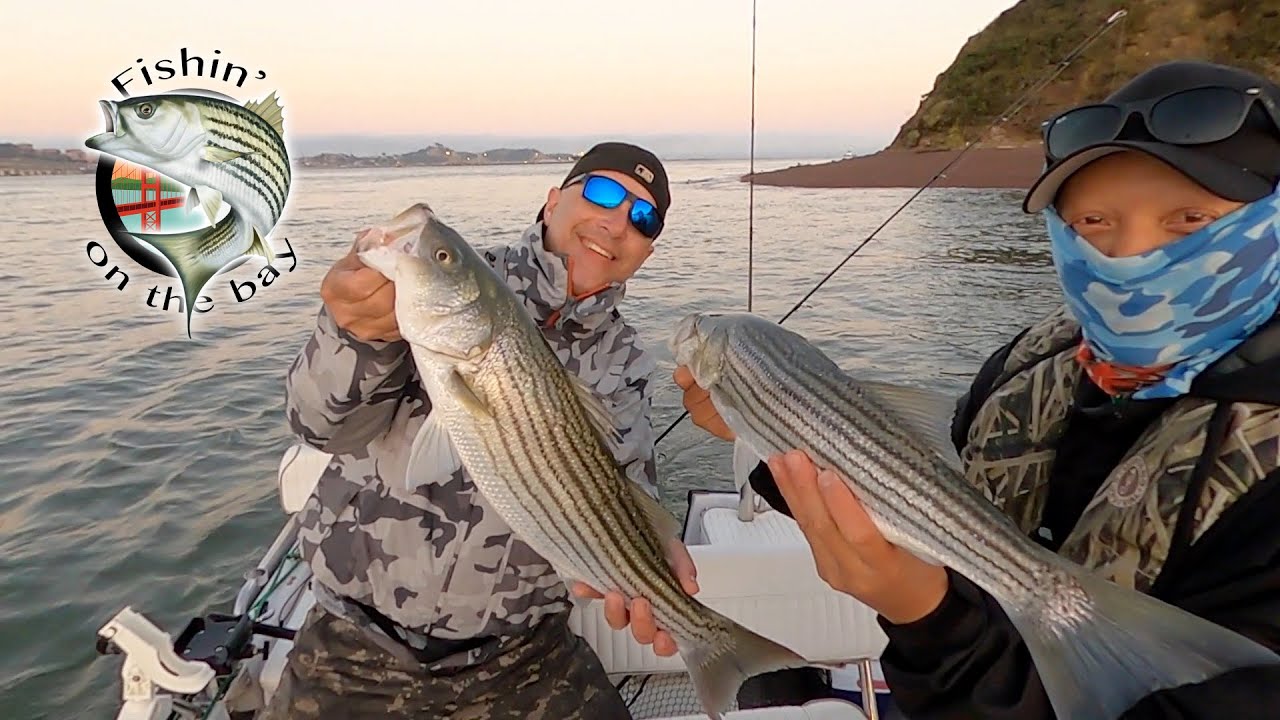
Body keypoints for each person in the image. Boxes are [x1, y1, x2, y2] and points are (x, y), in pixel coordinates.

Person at [612, 59, 1280, 718]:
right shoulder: (1030, 366)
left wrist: (925, 615)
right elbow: (905, 481)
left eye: (1190, 220)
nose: (1129, 256)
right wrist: (764, 430)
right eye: (1093, 224)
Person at [267, 141, 698, 719]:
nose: (618, 221)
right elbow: (320, 425)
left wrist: (646, 557)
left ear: (647, 249)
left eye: (643, 218)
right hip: (355, 644)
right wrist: (354, 336)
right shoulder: (433, 290)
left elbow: (628, 492)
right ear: (552, 202)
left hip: (522, 658)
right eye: (602, 191)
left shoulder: (627, 363)